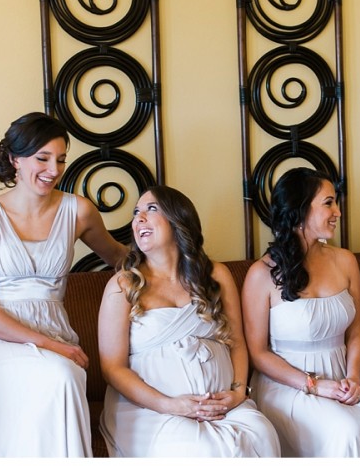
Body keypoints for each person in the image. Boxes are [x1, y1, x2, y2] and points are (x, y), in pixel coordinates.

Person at [0, 111, 127, 457]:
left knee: (60, 375)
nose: (53, 170)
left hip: (56, 334)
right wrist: (51, 347)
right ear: (14, 159)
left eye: (61, 160)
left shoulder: (78, 211)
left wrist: (175, 256)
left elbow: (120, 259)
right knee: (58, 374)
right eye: (43, 158)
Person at [97, 185, 280, 457]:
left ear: (178, 219)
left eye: (151, 209)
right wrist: (170, 405)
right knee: (202, 451)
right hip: (153, 410)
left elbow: (237, 343)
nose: (139, 218)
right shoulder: (123, 285)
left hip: (224, 407)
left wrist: (238, 393)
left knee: (263, 435)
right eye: (136, 212)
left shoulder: (215, 274)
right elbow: (113, 368)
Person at [241, 167, 360, 458]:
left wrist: (353, 377)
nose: (338, 212)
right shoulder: (261, 274)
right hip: (287, 383)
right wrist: (314, 385)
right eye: (328, 202)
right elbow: (258, 353)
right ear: (300, 210)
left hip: (343, 374)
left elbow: (355, 334)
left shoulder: (345, 261)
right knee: (346, 432)